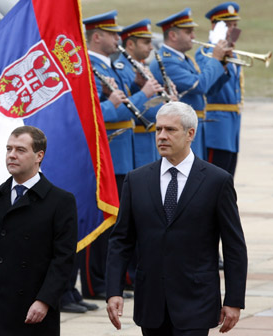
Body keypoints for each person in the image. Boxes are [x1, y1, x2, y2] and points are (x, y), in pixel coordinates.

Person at [106, 101, 248, 335]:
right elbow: (121, 241)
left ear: (190, 133)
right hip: (151, 303)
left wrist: (234, 300)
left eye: (170, 130)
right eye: (158, 129)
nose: (162, 136)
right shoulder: (136, 180)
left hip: (197, 302)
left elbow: (234, 246)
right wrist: (113, 291)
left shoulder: (216, 181)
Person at [0, 126, 78, 336]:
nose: (12, 155)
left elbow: (64, 259)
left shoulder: (60, 201)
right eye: (9, 149)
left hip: (34, 309)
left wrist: (45, 300)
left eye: (20, 150)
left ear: (39, 156)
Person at [80, 10, 138, 302]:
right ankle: (93, 282)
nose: (119, 39)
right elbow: (86, 116)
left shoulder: (114, 66)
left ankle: (114, 279)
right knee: (100, 220)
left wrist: (139, 87)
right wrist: (120, 102)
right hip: (104, 155)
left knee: (119, 223)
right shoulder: (87, 67)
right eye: (113, 34)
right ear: (97, 36)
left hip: (122, 152)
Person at [150, 8, 232, 160]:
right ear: (173, 35)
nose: (193, 36)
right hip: (179, 129)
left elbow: (208, 90)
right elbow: (198, 85)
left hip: (193, 127)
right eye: (188, 32)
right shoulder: (167, 60)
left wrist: (223, 64)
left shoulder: (183, 59)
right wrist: (215, 60)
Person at [196, 2, 242, 176]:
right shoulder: (206, 51)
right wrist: (219, 59)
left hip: (232, 127)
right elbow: (207, 85)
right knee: (213, 178)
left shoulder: (233, 53)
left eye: (235, 26)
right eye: (228, 25)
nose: (232, 30)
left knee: (227, 179)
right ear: (216, 27)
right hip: (216, 125)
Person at [115, 19, 168, 168]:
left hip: (151, 141)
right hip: (138, 141)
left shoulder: (141, 68)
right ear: (130, 44)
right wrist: (161, 105)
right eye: (146, 42)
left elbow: (149, 102)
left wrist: (165, 99)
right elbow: (136, 107)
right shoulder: (121, 70)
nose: (151, 47)